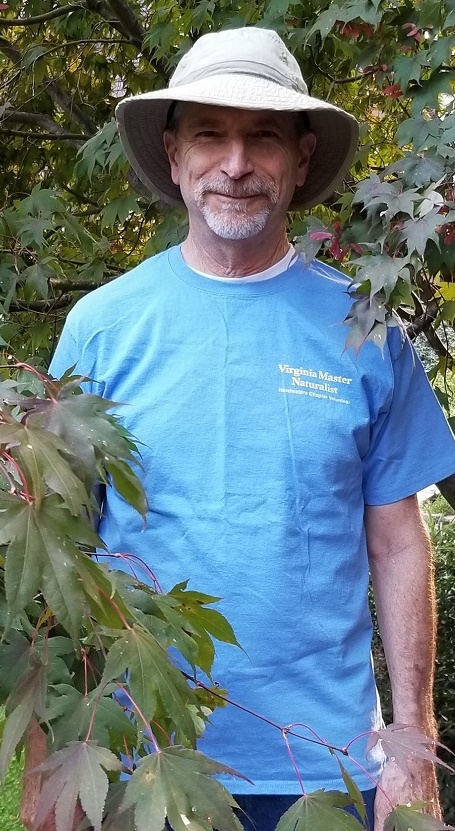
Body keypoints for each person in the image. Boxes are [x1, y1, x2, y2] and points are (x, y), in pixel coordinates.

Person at [37, 26, 455, 831]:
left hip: (326, 767)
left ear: (300, 158)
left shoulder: (365, 331)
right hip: (140, 759)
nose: (235, 164)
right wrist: (57, 751)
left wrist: (412, 741)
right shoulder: (101, 327)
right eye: (209, 135)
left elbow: (399, 541)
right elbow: (61, 546)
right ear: (173, 155)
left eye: (262, 136)